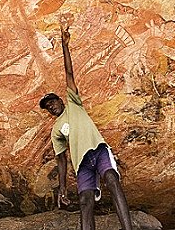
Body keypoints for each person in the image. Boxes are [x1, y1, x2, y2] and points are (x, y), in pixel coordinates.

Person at [39, 23, 132, 230]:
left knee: (111, 179)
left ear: (61, 100)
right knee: (84, 202)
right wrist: (62, 188)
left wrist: (65, 45)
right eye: (47, 107)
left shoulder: (73, 102)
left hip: (97, 150)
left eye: (53, 102)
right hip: (82, 164)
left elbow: (69, 74)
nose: (51, 107)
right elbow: (61, 159)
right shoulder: (56, 130)